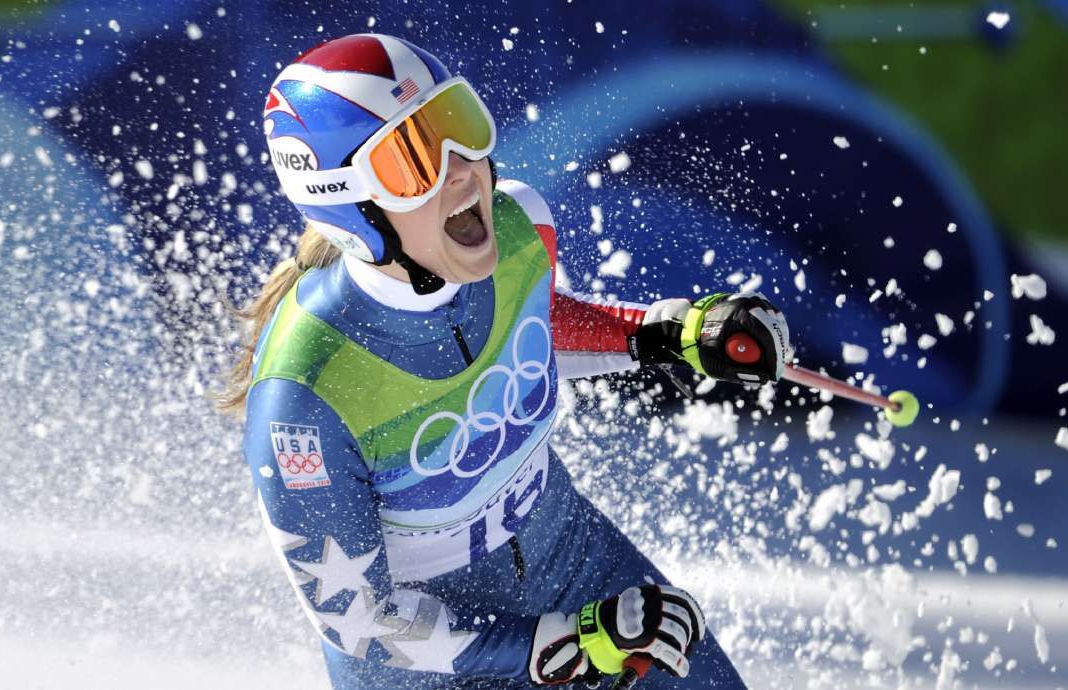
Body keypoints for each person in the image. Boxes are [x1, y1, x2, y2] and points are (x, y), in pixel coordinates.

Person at [220, 33, 790, 689]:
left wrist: (669, 332)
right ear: (353, 208)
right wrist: (562, 646)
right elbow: (361, 627)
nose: (463, 169)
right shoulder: (302, 393)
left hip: (573, 565)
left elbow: (528, 327)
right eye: (414, 158)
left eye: (458, 124)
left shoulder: (521, 224)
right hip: (442, 663)